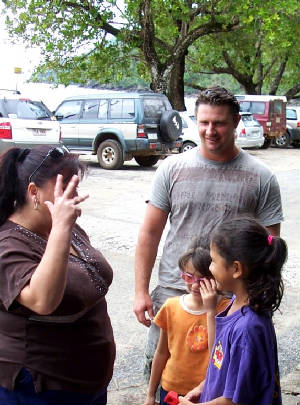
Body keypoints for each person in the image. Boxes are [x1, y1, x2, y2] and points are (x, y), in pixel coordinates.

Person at [133, 86, 283, 394]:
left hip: (230, 307)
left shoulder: (261, 177)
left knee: (221, 386)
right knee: (166, 382)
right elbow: (150, 232)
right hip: (175, 297)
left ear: (236, 122)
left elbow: (270, 249)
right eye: (203, 122)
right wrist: (140, 291)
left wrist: (256, 306)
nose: (210, 130)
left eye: (219, 123)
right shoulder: (172, 168)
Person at [0, 146, 115, 405]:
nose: (75, 196)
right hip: (40, 389)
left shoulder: (64, 228)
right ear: (34, 193)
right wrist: (62, 226)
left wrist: (63, 227)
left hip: (87, 384)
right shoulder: (7, 245)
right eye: (65, 187)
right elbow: (42, 301)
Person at [178, 216, 287, 405]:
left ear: (236, 268)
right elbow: (219, 361)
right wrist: (204, 387)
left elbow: (237, 401)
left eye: (213, 261)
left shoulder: (247, 328)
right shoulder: (238, 302)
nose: (210, 268)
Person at [143, 246, 230, 405]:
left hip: (206, 391)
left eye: (203, 280)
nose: (196, 286)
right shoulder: (171, 306)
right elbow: (161, 353)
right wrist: (150, 394)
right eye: (189, 277)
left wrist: (210, 309)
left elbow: (219, 354)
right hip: (171, 388)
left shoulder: (226, 309)